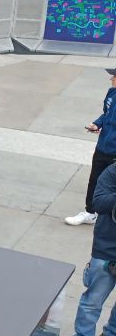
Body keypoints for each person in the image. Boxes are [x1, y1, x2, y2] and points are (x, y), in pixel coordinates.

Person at [70, 161, 116, 336]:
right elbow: (99, 202)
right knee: (93, 301)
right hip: (107, 250)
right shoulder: (112, 172)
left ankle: (111, 335)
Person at [67, 67, 116, 226]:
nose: (111, 79)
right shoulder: (111, 93)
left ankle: (110, 216)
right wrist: (97, 124)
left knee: (111, 185)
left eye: (114, 76)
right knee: (94, 180)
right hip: (102, 147)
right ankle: (90, 212)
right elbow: (106, 114)